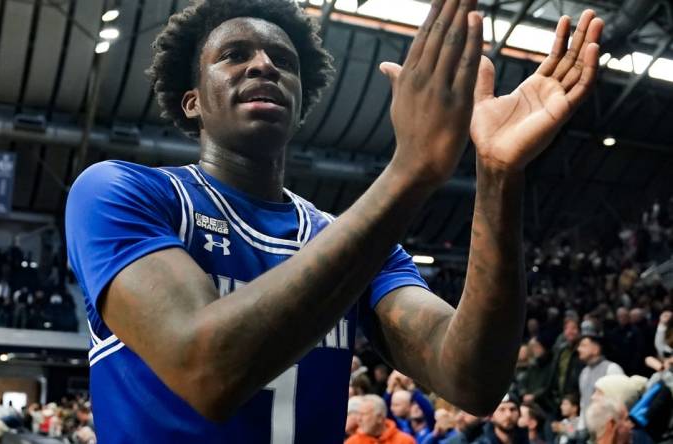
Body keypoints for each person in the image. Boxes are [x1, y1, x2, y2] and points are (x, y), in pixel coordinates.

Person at [64, 0, 603, 441]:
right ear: (191, 103)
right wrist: (409, 170)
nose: (264, 65)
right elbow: (206, 370)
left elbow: (472, 379)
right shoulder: (122, 192)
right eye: (233, 55)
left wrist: (497, 176)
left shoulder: (356, 244)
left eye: (284, 60)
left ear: (301, 104)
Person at [577, 322, 624, 423]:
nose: (579, 349)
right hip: (588, 429)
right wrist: (581, 427)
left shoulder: (611, 368)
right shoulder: (584, 373)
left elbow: (620, 401)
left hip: (608, 426)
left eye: (583, 345)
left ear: (596, 349)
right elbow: (583, 403)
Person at [345, 394, 416, 444]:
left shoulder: (405, 441)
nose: (359, 419)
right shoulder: (351, 442)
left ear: (379, 418)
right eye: (358, 414)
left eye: (363, 414)